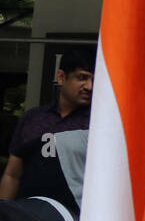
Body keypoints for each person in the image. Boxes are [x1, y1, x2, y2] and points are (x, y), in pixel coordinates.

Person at [0, 49, 93, 212]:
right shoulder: (32, 119)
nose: (89, 86)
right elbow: (12, 175)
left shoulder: (97, 125)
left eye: (94, 80)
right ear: (61, 77)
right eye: (82, 77)